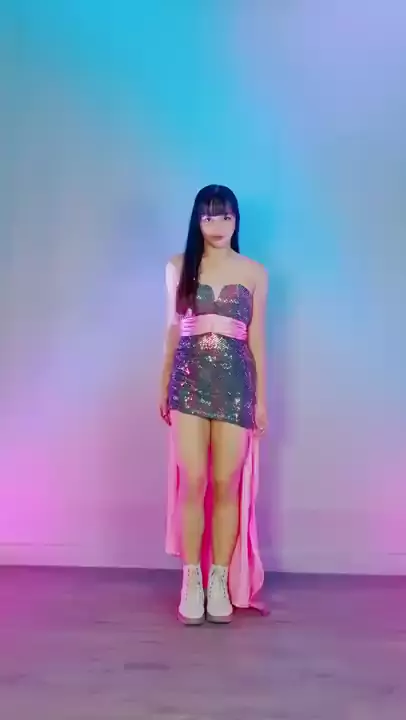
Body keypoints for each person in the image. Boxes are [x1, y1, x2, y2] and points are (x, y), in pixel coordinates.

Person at [160, 184, 268, 625]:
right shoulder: (178, 266)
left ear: (236, 220)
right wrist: (162, 385)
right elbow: (172, 331)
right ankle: (192, 579)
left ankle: (219, 579)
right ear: (197, 221)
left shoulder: (254, 272)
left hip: (236, 384)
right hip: (187, 382)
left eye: (225, 216)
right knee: (194, 481)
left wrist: (261, 399)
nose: (218, 225)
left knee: (226, 483)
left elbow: (257, 340)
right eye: (208, 217)